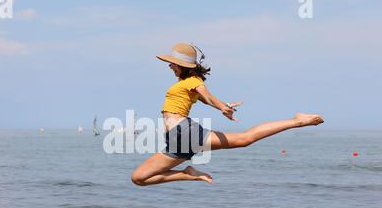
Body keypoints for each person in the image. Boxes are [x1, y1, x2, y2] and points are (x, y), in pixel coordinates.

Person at [131, 43, 324, 186]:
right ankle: (189, 174)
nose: (170, 66)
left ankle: (297, 121)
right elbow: (205, 99)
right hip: (176, 140)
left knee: (244, 138)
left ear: (183, 65)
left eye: (173, 63)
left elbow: (206, 94)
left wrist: (221, 107)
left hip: (185, 133)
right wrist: (222, 105)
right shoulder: (184, 84)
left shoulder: (193, 80)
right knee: (139, 178)